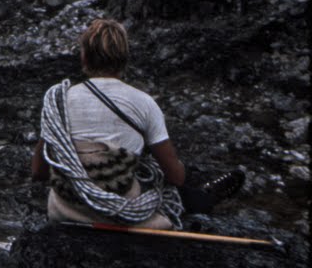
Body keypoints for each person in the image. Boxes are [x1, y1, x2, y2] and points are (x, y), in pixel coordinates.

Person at [30, 18, 243, 229]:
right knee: (170, 187)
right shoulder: (144, 103)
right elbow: (176, 177)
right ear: (124, 59)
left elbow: (38, 171)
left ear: (84, 56)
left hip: (67, 213)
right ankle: (206, 197)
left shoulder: (60, 101)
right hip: (123, 215)